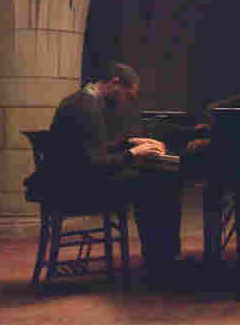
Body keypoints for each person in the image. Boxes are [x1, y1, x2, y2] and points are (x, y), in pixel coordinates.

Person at [44, 62, 185, 283]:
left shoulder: (83, 100)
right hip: (77, 187)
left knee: (155, 180)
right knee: (158, 182)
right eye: (127, 96)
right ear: (115, 83)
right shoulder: (87, 107)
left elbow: (90, 149)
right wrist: (133, 154)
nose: (126, 102)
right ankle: (162, 262)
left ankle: (160, 258)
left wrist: (129, 142)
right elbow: (94, 164)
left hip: (69, 179)